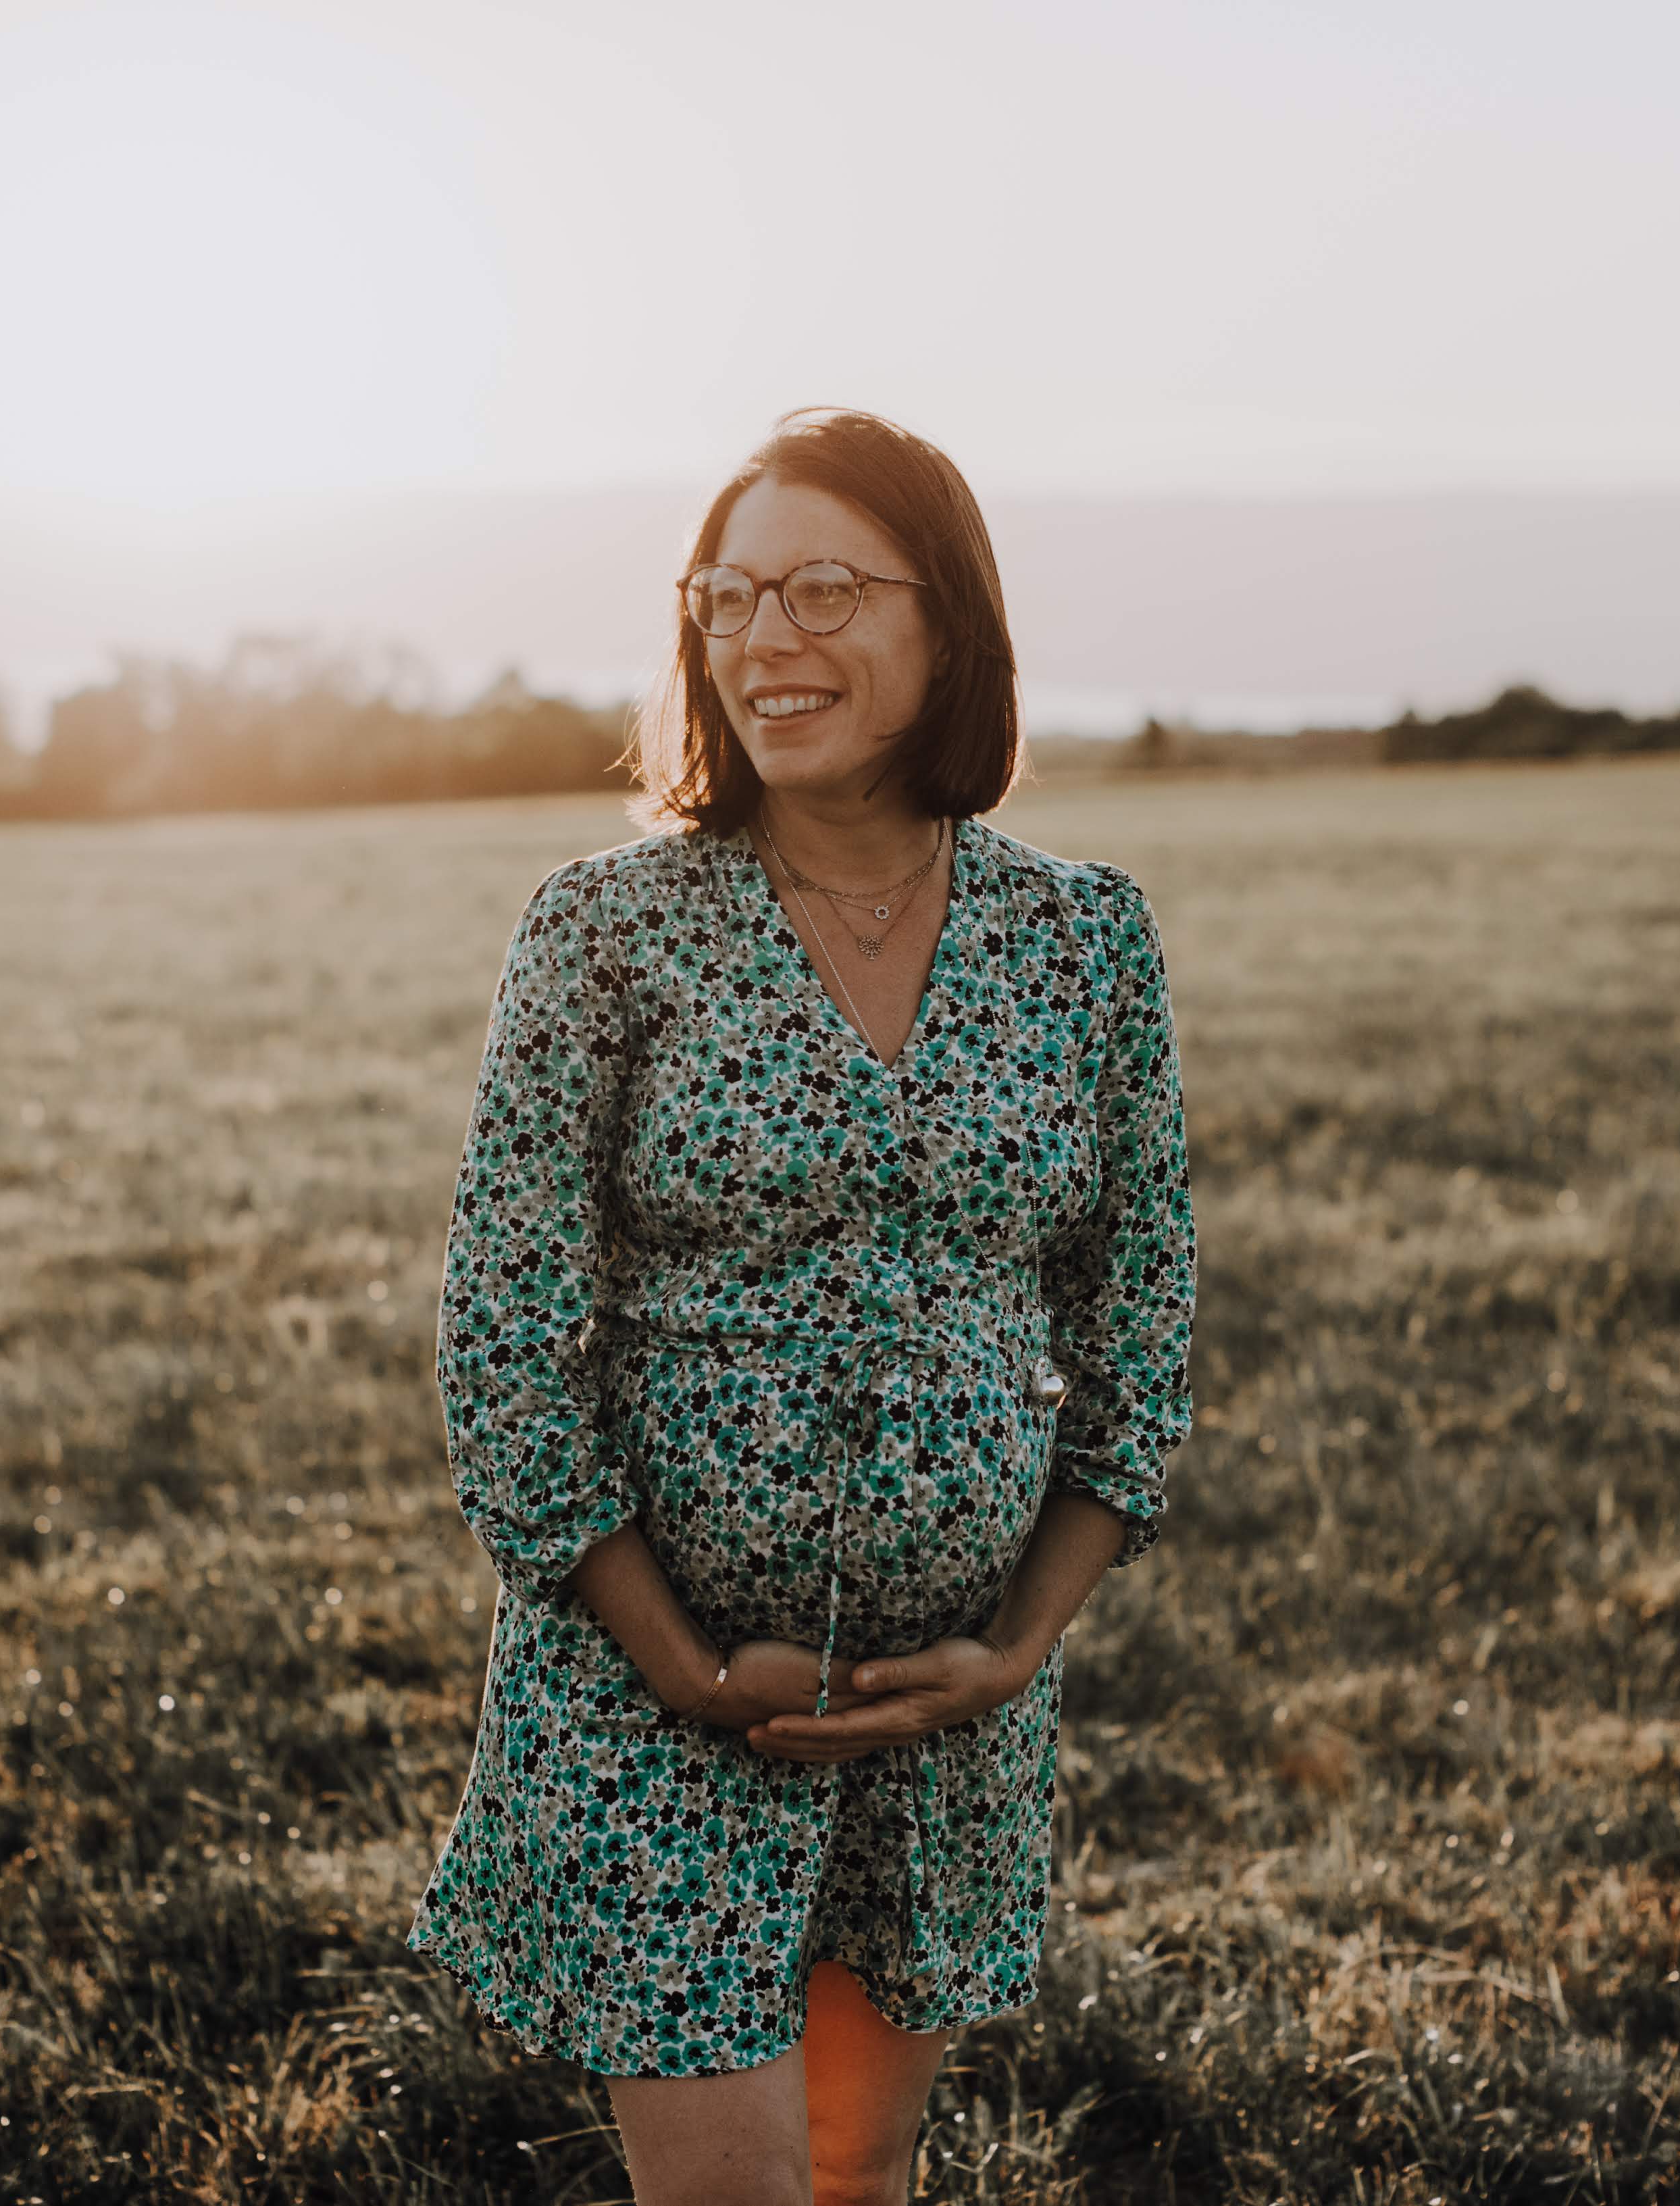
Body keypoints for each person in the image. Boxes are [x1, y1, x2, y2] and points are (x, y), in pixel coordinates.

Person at [405, 407, 1198, 2206]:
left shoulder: (1082, 938)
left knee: (862, 2167)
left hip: (944, 1717)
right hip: (654, 1691)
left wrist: (1014, 1647)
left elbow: (1139, 1323)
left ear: (949, 626)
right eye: (727, 596)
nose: (764, 639)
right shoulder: (605, 927)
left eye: (824, 588)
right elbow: (506, 1330)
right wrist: (684, 1661)